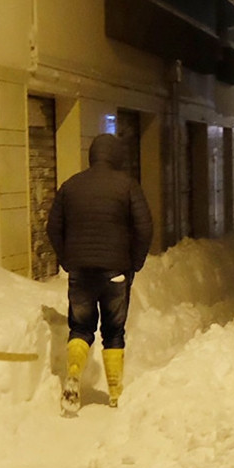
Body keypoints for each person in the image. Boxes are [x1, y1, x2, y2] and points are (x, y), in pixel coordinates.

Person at [47, 132, 153, 415]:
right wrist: (135, 262)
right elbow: (144, 228)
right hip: (116, 272)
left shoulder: (71, 186)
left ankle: (72, 373)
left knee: (80, 328)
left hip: (80, 272)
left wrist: (67, 258)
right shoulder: (128, 186)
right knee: (113, 332)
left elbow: (53, 227)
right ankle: (115, 392)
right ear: (115, 156)